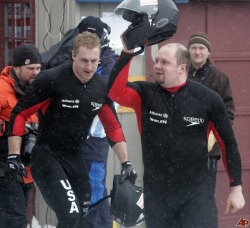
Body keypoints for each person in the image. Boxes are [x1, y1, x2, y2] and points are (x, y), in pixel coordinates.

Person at [4, 31, 137, 228]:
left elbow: (113, 127)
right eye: (84, 60)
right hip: (47, 156)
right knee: (70, 216)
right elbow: (20, 113)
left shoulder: (100, 87)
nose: (89, 67)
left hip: (75, 158)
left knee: (83, 217)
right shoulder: (52, 79)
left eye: (94, 61)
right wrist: (13, 156)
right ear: (74, 55)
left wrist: (126, 162)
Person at [107, 41, 245, 228]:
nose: (157, 66)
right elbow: (115, 92)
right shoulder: (145, 94)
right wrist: (128, 52)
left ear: (182, 68)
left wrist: (236, 187)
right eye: (156, 61)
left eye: (164, 62)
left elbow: (228, 143)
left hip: (196, 194)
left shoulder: (208, 99)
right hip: (157, 196)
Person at [78, 17, 117, 228]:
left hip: (95, 137)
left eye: (94, 37)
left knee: (93, 193)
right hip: (75, 138)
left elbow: (104, 93)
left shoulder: (109, 62)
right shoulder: (73, 57)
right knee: (86, 193)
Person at [187, 32, 236, 192]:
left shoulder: (220, 78)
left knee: (205, 193)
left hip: (207, 149)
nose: (197, 52)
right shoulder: (179, 73)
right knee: (182, 191)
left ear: (208, 52)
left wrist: (211, 139)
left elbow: (228, 113)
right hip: (181, 145)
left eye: (202, 48)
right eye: (194, 47)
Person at [0, 43, 41, 228]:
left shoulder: (39, 88)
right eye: (30, 68)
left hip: (27, 167)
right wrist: (12, 128)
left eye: (38, 68)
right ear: (16, 67)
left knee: (16, 217)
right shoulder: (2, 89)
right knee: (14, 220)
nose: (35, 72)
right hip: (5, 166)